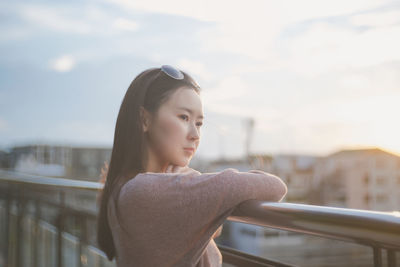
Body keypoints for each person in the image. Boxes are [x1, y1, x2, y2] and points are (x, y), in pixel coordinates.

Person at [96, 65, 288, 267]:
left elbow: (211, 227)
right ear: (144, 119)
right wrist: (184, 176)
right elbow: (275, 187)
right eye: (184, 117)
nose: (195, 135)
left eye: (199, 123)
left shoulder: (123, 184)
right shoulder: (145, 192)